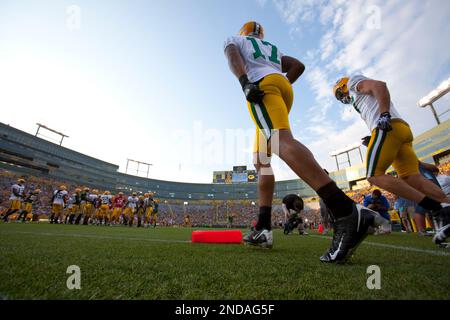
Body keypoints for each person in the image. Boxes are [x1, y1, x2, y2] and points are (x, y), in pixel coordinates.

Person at [225, 22, 388, 263]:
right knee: (261, 160)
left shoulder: (236, 39)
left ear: (244, 32)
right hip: (280, 86)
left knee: (280, 141)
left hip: (262, 87)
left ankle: (345, 210)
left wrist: (245, 83)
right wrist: (282, 83)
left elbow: (231, 54)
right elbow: (297, 66)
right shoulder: (271, 48)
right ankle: (263, 227)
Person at [333, 75, 450, 245]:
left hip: (388, 128)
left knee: (374, 175)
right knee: (412, 178)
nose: (342, 98)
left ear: (342, 86)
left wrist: (384, 114)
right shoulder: (359, 99)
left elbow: (379, 85)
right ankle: (446, 207)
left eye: (339, 93)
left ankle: (436, 208)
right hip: (401, 130)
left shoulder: (352, 83)